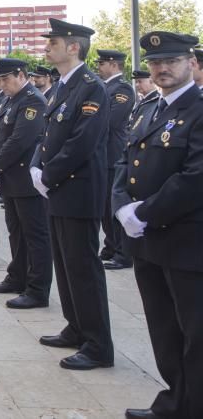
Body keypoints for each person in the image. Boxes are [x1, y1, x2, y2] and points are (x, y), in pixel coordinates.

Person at [112, 31, 203, 419]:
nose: (162, 68)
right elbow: (124, 162)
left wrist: (143, 212)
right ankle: (174, 402)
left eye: (171, 61)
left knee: (195, 336)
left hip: (187, 242)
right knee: (164, 330)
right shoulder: (150, 108)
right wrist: (120, 207)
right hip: (147, 240)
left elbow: (195, 177)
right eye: (154, 63)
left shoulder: (199, 108)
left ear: (192, 64)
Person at [30, 18, 113, 371]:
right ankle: (76, 326)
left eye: (53, 42)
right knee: (64, 264)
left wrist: (48, 174)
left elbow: (83, 142)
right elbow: (48, 134)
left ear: (73, 47)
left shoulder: (91, 87)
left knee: (82, 267)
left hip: (78, 189)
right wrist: (37, 165)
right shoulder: (64, 86)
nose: (47, 47)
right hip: (59, 188)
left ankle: (97, 345)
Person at [0, 58, 51, 309]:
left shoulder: (32, 99)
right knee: (16, 232)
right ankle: (17, 276)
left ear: (21, 75)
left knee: (35, 236)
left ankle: (37, 289)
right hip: (10, 178)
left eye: (5, 79)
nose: (1, 84)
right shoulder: (10, 99)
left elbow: (22, 139)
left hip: (25, 179)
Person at [95, 49, 137, 271]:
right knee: (104, 208)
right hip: (102, 157)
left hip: (112, 155)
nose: (99, 67)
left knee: (115, 207)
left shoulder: (121, 89)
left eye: (101, 63)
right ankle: (111, 246)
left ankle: (123, 253)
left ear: (113, 64)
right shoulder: (104, 87)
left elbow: (110, 121)